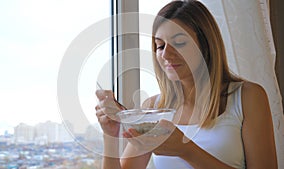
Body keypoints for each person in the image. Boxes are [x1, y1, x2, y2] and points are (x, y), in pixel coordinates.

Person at [95, 0, 278, 168]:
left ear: (206, 46)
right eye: (160, 46)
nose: (166, 54)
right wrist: (110, 134)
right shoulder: (154, 108)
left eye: (179, 43)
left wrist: (186, 149)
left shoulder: (247, 97)